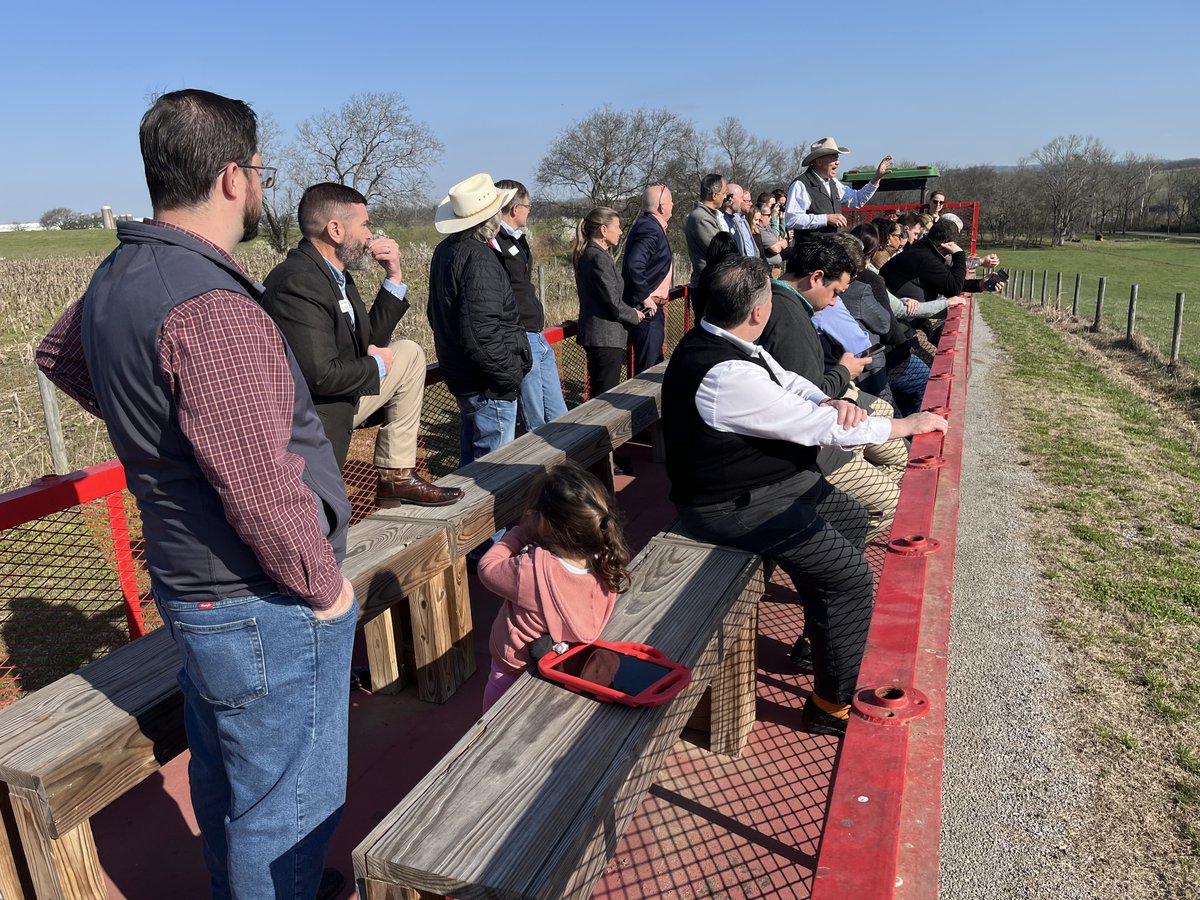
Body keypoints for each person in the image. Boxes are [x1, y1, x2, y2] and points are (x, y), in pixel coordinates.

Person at [36, 89, 355, 899]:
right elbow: (258, 487)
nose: (259, 186)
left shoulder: (121, 271)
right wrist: (323, 588)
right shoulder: (210, 301)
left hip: (193, 587)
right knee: (285, 811)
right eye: (258, 170)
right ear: (231, 177)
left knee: (230, 789)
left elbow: (61, 355)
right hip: (257, 595)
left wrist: (154, 442)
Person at [661, 256, 947, 735]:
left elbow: (791, 385)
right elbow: (816, 430)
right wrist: (904, 425)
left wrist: (827, 398)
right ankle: (829, 704)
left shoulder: (730, 340)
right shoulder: (722, 373)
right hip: (731, 507)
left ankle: (823, 636)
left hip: (768, 487)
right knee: (852, 578)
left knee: (853, 520)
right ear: (758, 312)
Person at [262, 183, 463, 507]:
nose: (370, 235)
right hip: (312, 422)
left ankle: (396, 478)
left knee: (410, 353)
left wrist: (393, 279)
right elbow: (321, 375)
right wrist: (377, 365)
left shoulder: (338, 276)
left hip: (343, 398)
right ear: (336, 230)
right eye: (365, 224)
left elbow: (368, 344)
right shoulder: (296, 282)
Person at [758, 239, 907, 540]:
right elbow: (809, 399)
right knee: (891, 499)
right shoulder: (789, 320)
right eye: (836, 293)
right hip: (810, 448)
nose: (834, 303)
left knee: (894, 451)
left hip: (817, 431)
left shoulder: (784, 303)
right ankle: (837, 547)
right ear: (815, 277)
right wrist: (845, 371)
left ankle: (841, 517)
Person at [478, 462, 632, 712]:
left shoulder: (531, 571)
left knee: (488, 730)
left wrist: (519, 533)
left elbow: (488, 569)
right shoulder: (603, 558)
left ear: (546, 524)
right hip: (567, 664)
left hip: (513, 670)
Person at [428, 174, 532, 468]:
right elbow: (482, 332)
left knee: (470, 469)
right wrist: (510, 376)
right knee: (492, 475)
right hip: (488, 385)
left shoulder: (446, 251)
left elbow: (435, 314)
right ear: (493, 218)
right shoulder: (480, 259)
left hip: (466, 379)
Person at [493, 179, 569, 431]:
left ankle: (565, 465)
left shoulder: (518, 240)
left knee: (559, 413)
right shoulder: (494, 243)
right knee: (535, 418)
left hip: (537, 334)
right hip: (521, 335)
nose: (529, 210)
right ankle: (540, 469)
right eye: (528, 205)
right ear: (515, 208)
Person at [785, 137, 893, 245]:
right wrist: (826, 219)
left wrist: (876, 178)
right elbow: (792, 220)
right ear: (819, 161)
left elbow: (857, 200)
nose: (838, 163)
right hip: (808, 255)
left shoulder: (834, 183)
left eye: (837, 158)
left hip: (830, 253)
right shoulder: (801, 184)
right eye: (833, 158)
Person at [621, 183, 674, 373]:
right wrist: (645, 298)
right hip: (647, 311)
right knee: (648, 371)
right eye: (670, 202)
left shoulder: (648, 225)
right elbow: (634, 264)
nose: (673, 205)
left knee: (651, 365)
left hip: (648, 309)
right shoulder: (650, 228)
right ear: (661, 206)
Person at [684, 173, 731, 287]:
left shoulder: (713, 216)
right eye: (724, 193)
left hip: (716, 280)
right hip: (709, 283)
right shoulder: (701, 218)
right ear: (715, 195)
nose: (726, 197)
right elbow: (721, 251)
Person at [724, 183, 758, 257]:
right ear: (731, 198)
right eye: (741, 198)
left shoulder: (744, 221)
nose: (751, 203)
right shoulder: (724, 220)